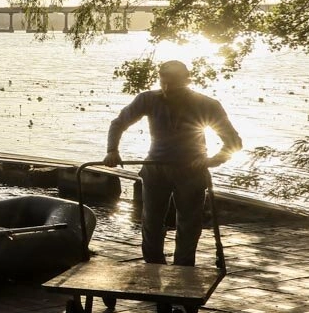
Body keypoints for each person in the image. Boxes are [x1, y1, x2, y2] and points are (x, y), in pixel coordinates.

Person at [103, 60, 242, 266]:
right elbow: (118, 123)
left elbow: (233, 142)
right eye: (163, 82)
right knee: (151, 221)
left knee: (188, 223)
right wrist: (112, 150)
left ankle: (183, 270)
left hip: (191, 171)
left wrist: (213, 160)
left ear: (187, 80)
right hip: (154, 168)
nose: (167, 89)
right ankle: (153, 267)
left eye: (174, 84)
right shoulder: (148, 99)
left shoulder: (207, 104)